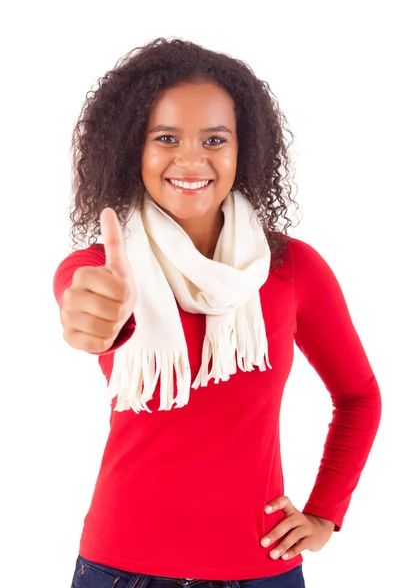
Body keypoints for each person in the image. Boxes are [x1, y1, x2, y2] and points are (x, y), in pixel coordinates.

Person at [53, 38, 382, 588]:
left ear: (242, 149)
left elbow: (358, 396)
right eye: (165, 138)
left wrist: (326, 513)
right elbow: (81, 302)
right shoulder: (102, 268)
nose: (190, 159)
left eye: (214, 139)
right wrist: (93, 317)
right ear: (131, 148)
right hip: (121, 570)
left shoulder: (292, 269)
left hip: (261, 569)